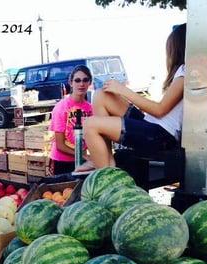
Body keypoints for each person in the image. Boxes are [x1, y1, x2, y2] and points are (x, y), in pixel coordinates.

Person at [82, 23, 186, 169]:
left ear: (177, 48)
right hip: (152, 125)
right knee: (100, 95)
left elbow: (160, 109)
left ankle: (105, 176)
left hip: (161, 135)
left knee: (90, 124)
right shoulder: (182, 72)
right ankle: (107, 161)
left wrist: (123, 90)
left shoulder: (185, 72)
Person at [49, 65, 94, 175]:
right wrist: (83, 155)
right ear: (71, 83)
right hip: (62, 162)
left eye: (85, 80)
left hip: (83, 161)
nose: (81, 84)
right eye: (77, 80)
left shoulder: (90, 108)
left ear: (90, 82)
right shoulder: (61, 107)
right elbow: (60, 145)